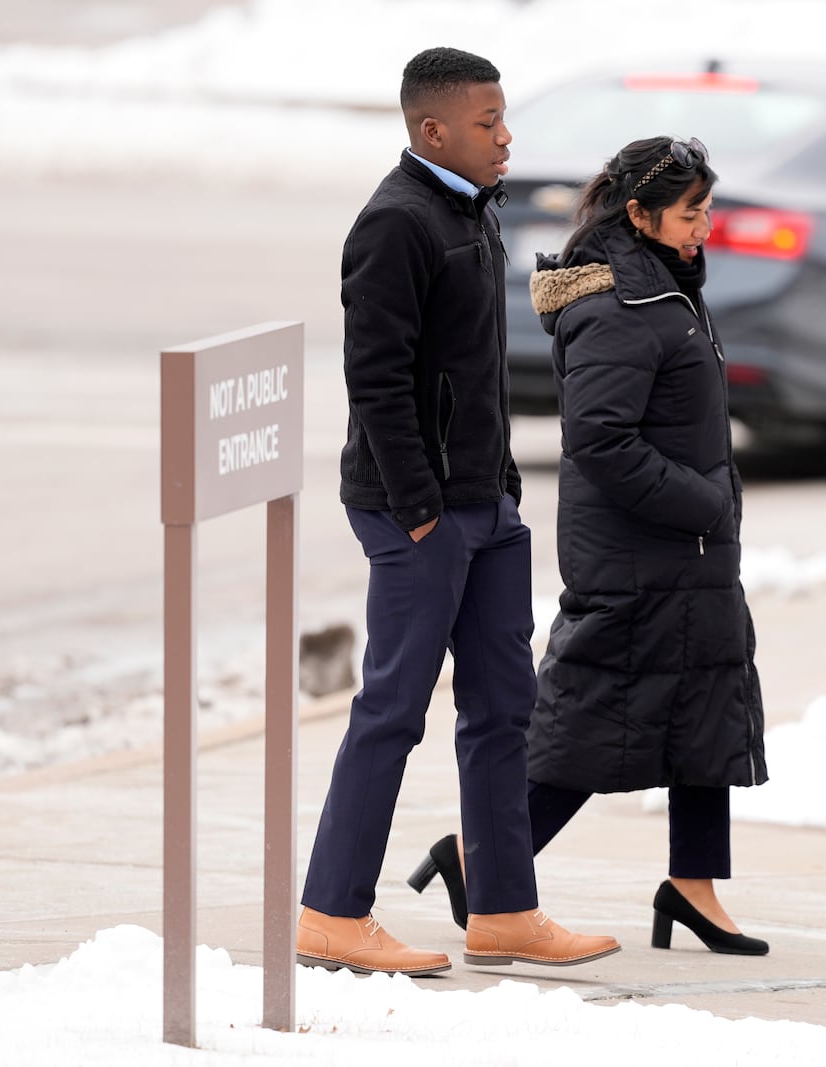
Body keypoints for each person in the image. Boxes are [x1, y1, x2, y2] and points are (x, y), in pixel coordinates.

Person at [295, 46, 620, 976]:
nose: (507, 136)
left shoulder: (472, 211)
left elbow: (475, 377)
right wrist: (421, 509)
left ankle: (505, 909)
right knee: (394, 707)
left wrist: (503, 489)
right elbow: (378, 381)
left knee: (503, 708)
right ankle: (331, 911)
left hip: (488, 503)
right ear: (434, 130)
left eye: (504, 118)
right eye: (489, 123)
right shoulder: (395, 224)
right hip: (421, 514)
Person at [409, 135, 770, 956]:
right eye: (690, 212)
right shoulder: (616, 305)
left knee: (702, 706)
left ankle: (693, 885)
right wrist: (706, 502)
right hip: (641, 555)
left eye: (708, 209)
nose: (704, 226)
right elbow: (601, 442)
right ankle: (477, 860)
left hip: (690, 550)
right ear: (639, 214)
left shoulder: (662, 286)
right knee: (593, 724)